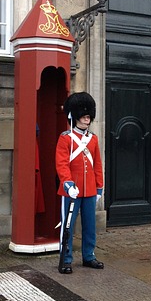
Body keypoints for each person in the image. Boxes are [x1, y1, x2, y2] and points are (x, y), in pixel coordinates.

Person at [55, 92, 104, 274]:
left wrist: (99, 186)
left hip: (89, 190)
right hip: (71, 191)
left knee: (90, 226)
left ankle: (89, 256)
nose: (87, 119)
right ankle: (66, 258)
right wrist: (68, 183)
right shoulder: (65, 138)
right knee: (67, 227)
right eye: (84, 116)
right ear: (74, 117)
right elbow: (61, 163)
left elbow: (97, 164)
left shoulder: (93, 139)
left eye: (88, 116)